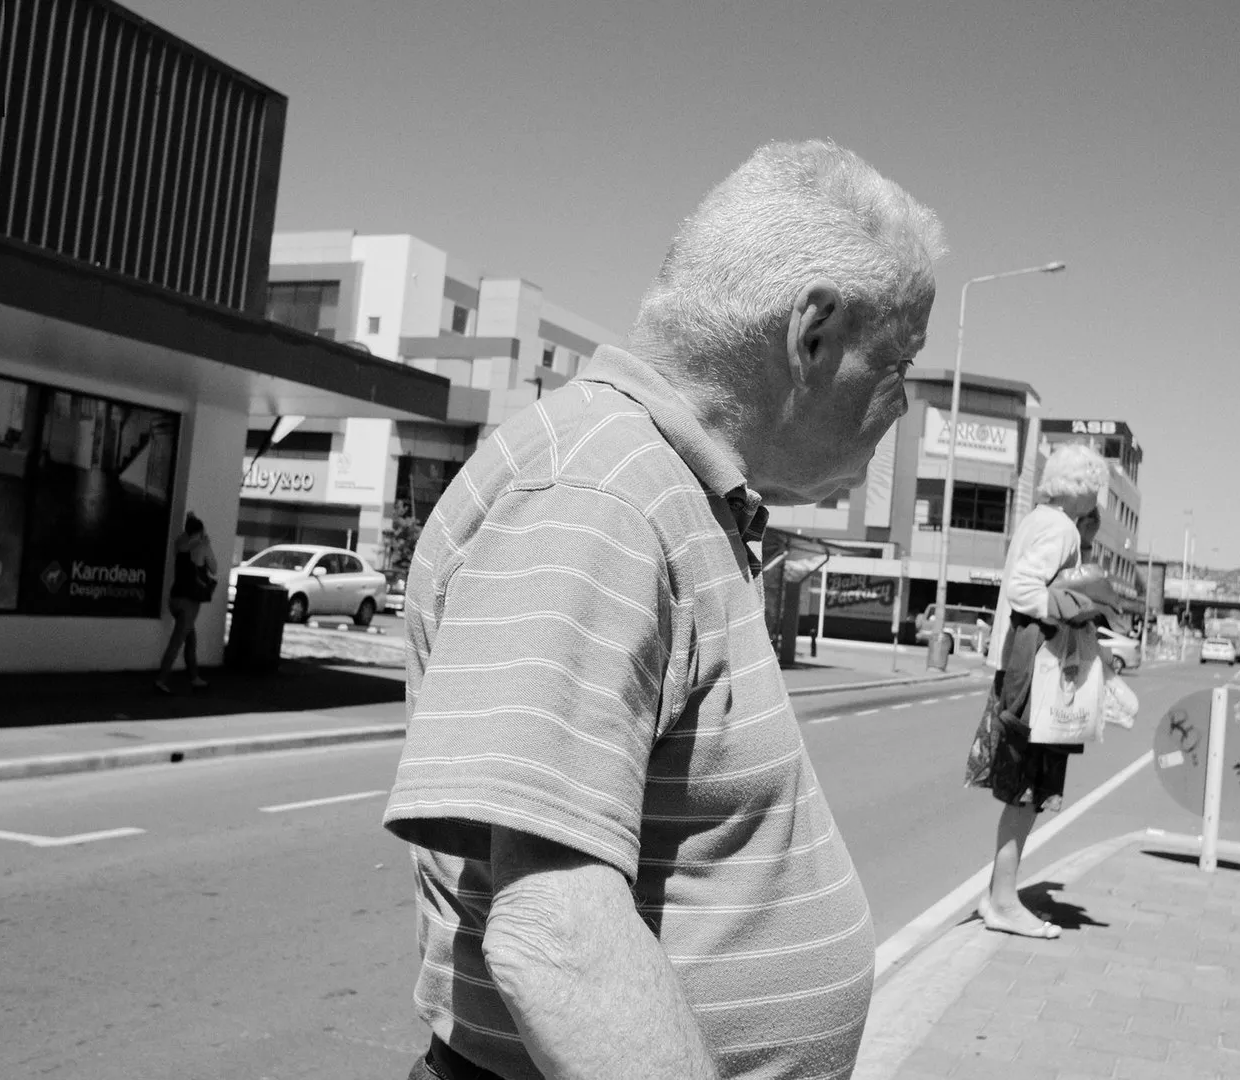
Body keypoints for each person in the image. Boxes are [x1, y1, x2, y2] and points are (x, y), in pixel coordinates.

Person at [384, 140, 946, 1080]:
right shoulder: (598, 495)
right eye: (901, 362)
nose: (902, 403)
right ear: (813, 335)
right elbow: (554, 933)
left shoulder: (658, 487)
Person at [966, 443, 1112, 938]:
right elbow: (1027, 589)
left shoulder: (1039, 520)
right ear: (1086, 489)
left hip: (1018, 667)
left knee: (1021, 791)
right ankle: (1003, 902)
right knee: (1025, 791)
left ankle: (997, 895)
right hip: (1036, 676)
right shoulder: (1060, 528)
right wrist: (1080, 606)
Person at [155, 512, 218, 694]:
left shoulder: (179, 544)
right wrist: (207, 544)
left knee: (191, 639)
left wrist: (191, 521)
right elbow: (214, 568)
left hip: (174, 599)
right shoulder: (201, 547)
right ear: (199, 531)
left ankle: (195, 677)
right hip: (189, 602)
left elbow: (187, 535)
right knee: (177, 642)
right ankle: (161, 679)